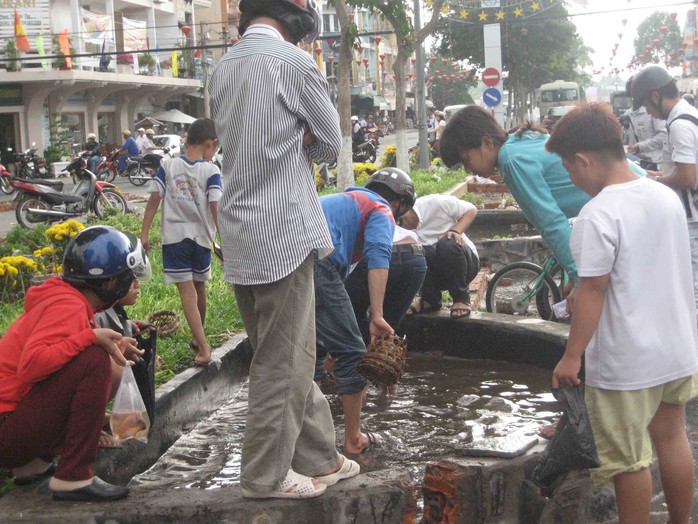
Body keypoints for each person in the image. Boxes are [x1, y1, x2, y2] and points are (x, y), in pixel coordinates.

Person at [209, 0, 359, 499]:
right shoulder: (293, 62)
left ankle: (321, 458)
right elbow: (331, 142)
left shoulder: (222, 67)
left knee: (281, 352)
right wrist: (300, 151)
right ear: (295, 22)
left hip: (239, 231)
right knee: (286, 360)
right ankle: (264, 475)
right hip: (284, 228)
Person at [547, 102, 698, 524]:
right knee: (672, 437)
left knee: (629, 460)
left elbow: (594, 288)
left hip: (629, 361)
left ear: (583, 160)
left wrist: (572, 355)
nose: (572, 178)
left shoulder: (597, 214)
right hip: (677, 347)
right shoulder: (664, 195)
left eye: (569, 168)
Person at [0, 226, 151, 502]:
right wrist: (91, 338)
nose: (129, 282)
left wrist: (110, 344)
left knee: (100, 356)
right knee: (94, 360)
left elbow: (58, 361)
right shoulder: (67, 305)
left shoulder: (71, 300)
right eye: (125, 277)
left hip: (11, 425)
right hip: (7, 429)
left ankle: (33, 465)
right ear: (108, 282)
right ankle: (74, 476)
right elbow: (32, 365)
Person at [440, 106, 645, 294]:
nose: (468, 170)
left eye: (466, 160)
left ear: (487, 142)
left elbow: (551, 223)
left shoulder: (511, 160)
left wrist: (579, 278)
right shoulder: (518, 143)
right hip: (637, 189)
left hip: (629, 203)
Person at [314, 168, 415, 454]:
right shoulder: (380, 208)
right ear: (400, 204)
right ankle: (354, 439)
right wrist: (378, 315)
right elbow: (380, 257)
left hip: (284, 257)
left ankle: (308, 433)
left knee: (310, 347)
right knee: (352, 352)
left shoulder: (344, 200)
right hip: (317, 259)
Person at [140, 118, 222, 367]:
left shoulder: (169, 165)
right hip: (201, 239)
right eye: (215, 149)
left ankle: (202, 345)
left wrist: (144, 234)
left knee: (188, 292)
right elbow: (216, 207)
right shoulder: (211, 171)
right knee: (199, 289)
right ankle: (201, 342)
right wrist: (224, 241)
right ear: (211, 144)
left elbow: (154, 199)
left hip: (174, 239)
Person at [630, 64, 698, 307]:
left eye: (647, 104)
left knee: (693, 291)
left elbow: (688, 178)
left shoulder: (679, 124)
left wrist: (654, 181)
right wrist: (657, 173)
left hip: (692, 219)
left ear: (656, 96)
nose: (648, 111)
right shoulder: (688, 114)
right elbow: (682, 169)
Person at [345, 222, 426, 345]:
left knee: (352, 313)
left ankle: (357, 356)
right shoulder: (381, 213)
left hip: (377, 254)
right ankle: (376, 356)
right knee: (386, 326)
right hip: (414, 255)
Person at [401, 194, 479, 319]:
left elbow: (471, 209)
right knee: (413, 250)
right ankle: (430, 299)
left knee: (447, 243)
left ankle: (461, 298)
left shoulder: (435, 202)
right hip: (438, 274)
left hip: (464, 263)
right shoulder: (393, 227)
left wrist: (455, 231)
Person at [622, 76, 666, 171]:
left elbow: (663, 136)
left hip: (654, 164)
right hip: (634, 164)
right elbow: (625, 141)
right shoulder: (627, 114)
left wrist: (640, 146)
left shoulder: (652, 112)